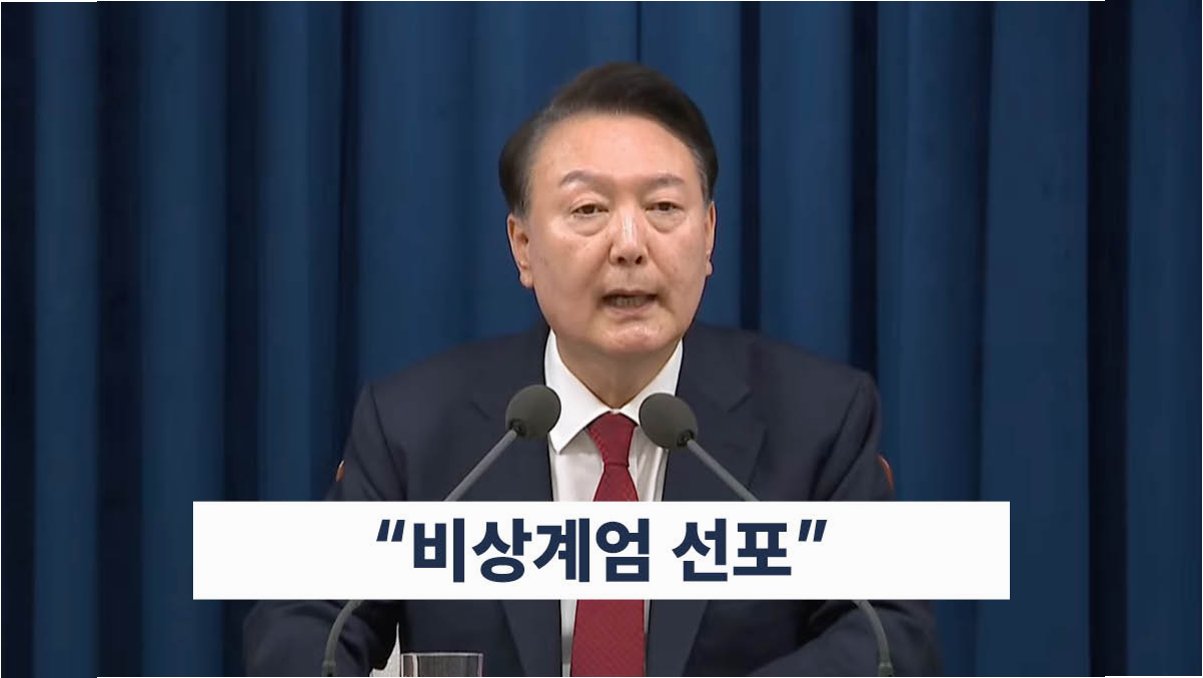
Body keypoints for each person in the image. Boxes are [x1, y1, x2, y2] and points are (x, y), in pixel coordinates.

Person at [244, 62, 941, 677]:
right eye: (588, 210)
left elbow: (890, 635)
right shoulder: (414, 427)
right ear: (522, 246)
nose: (629, 245)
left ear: (708, 237)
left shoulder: (817, 418)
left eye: (663, 207)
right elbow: (300, 624)